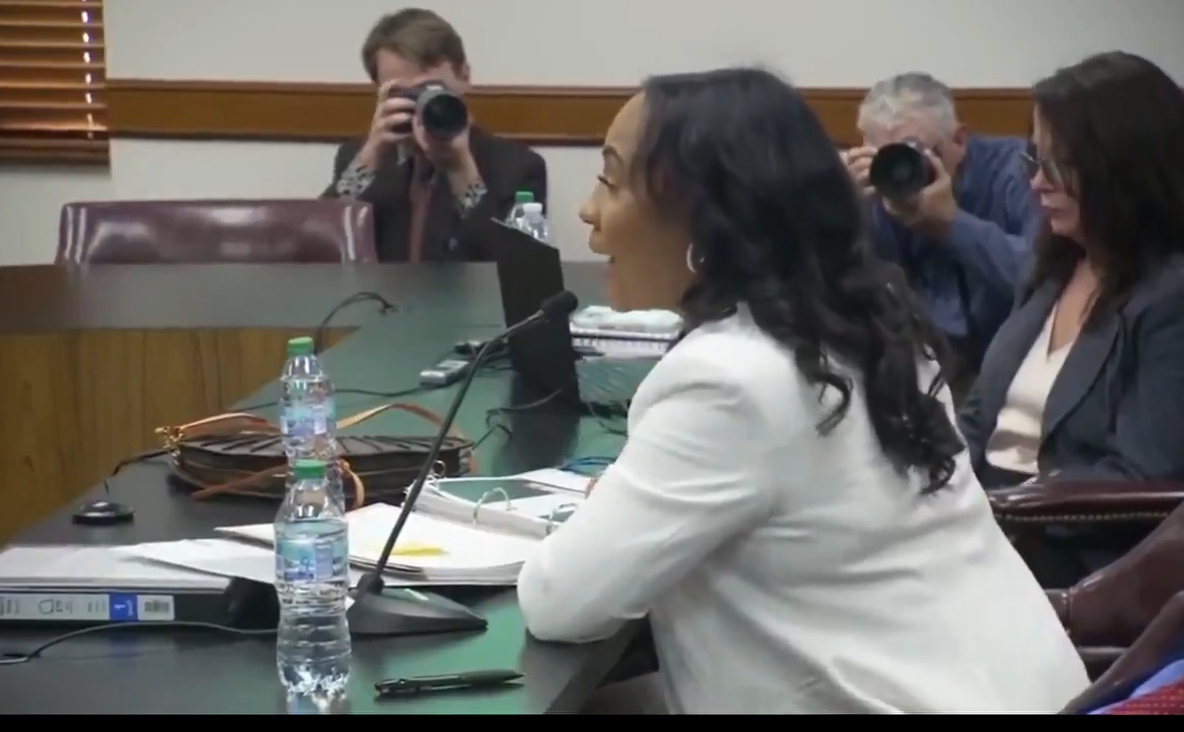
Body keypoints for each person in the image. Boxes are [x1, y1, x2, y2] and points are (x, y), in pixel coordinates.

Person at [515, 67, 1088, 714]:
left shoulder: (727, 380)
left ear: (703, 216)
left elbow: (559, 602)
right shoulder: (878, 327)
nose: (588, 212)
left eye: (611, 180)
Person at [957, 52, 1184, 586]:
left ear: (1124, 170)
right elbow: (980, 417)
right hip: (987, 526)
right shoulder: (1052, 267)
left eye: (1058, 166)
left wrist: (998, 512)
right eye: (1033, 161)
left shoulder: (1170, 297)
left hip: (1078, 557)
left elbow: (1142, 474)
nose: (1038, 183)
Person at [843, 73, 1042, 396]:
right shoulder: (872, 187)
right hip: (924, 368)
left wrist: (952, 224)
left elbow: (1044, 277)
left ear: (959, 141)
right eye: (883, 157)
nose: (900, 168)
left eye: (913, 151)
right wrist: (847, 210)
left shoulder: (1019, 171)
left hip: (1015, 365)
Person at [321, 8, 547, 262]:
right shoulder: (359, 158)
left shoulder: (520, 168)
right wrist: (368, 158)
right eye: (402, 94)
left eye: (431, 90)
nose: (419, 105)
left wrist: (462, 173)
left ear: (464, 76)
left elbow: (525, 268)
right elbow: (316, 253)